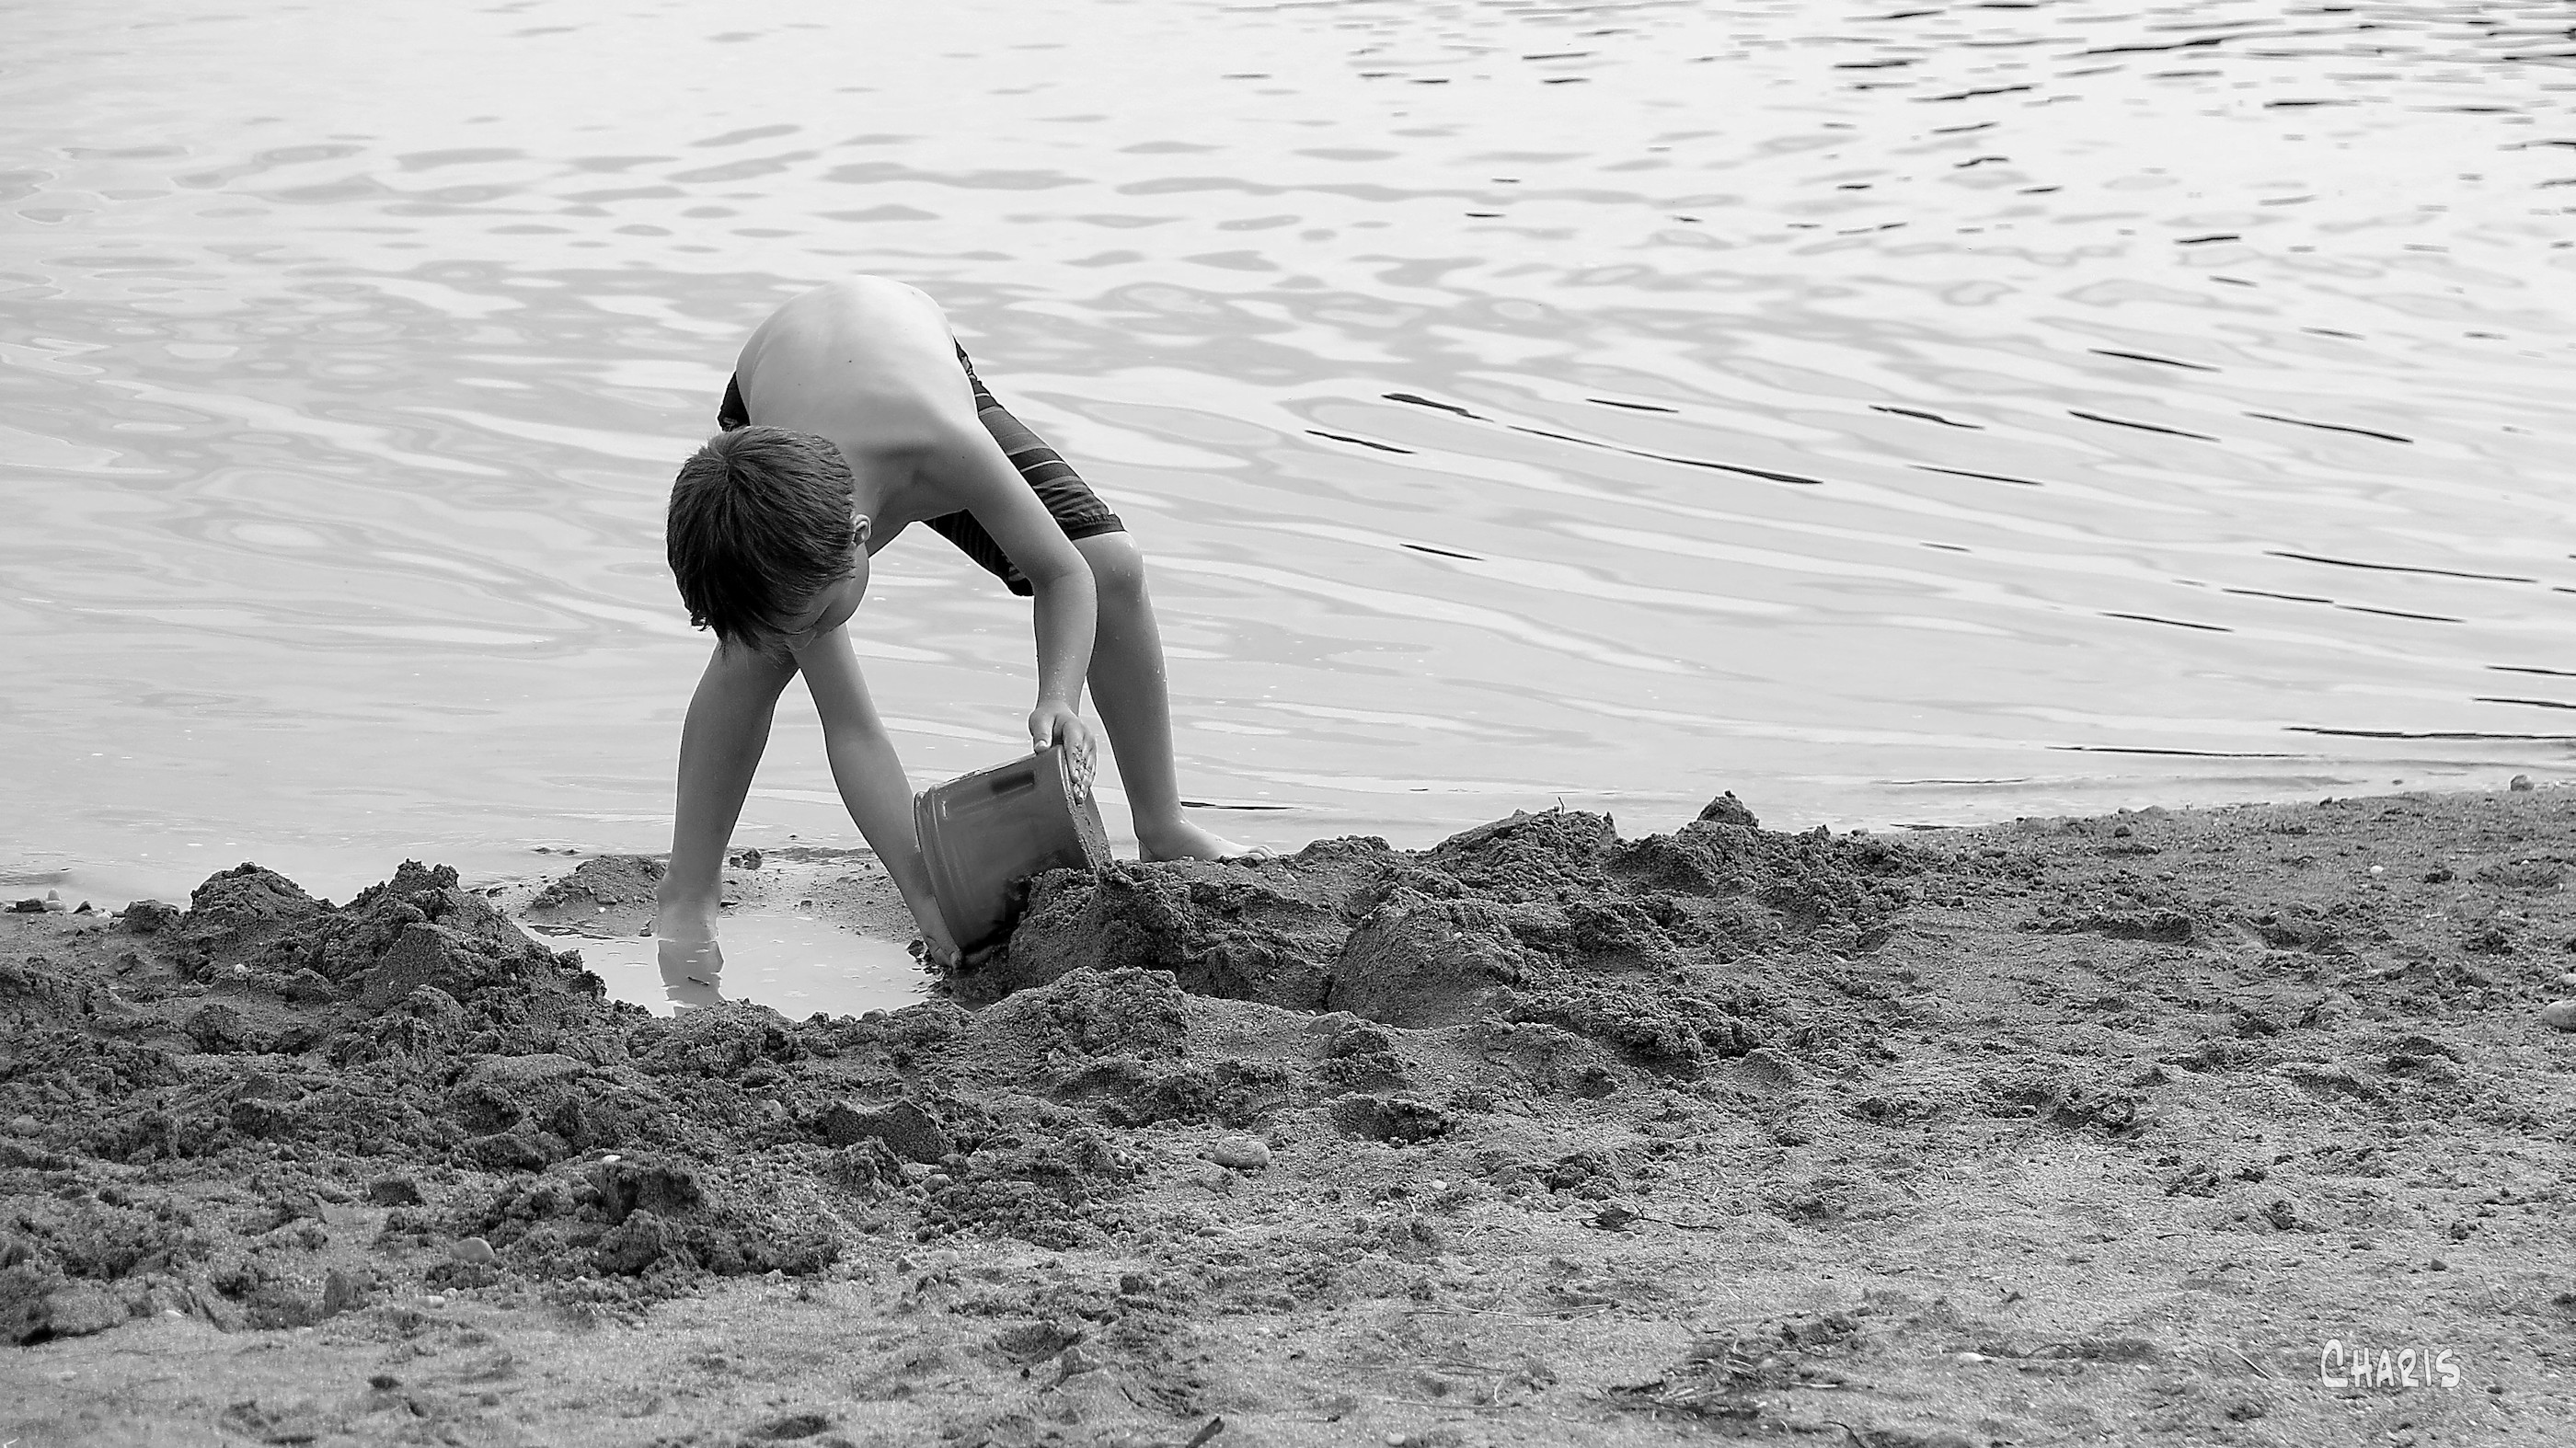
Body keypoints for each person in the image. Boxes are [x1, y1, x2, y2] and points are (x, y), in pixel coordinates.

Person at [654, 276, 1248, 970]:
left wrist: (1058, 696)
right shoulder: (795, 523)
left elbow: (1065, 574)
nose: (804, 633)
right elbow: (853, 729)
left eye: (813, 618)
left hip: (914, 366)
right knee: (758, 649)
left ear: (860, 538)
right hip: (773, 387)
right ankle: (687, 889)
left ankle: (1163, 824)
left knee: (1113, 565)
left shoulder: (946, 444)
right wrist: (921, 890)